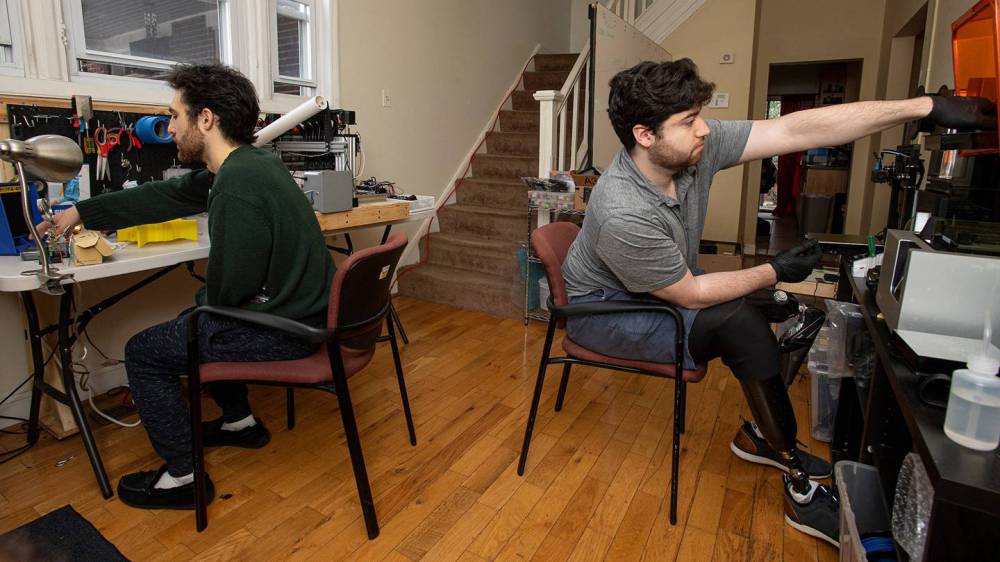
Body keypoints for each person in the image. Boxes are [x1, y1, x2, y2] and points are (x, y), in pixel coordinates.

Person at [561, 58, 995, 545]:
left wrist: (925, 106)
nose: (704, 128)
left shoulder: (690, 151)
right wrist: (775, 268)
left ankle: (762, 434)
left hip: (656, 287)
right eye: (688, 122)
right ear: (645, 135)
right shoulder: (622, 207)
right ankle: (798, 481)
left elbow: (794, 129)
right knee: (742, 323)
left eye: (699, 114)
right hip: (605, 310)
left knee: (793, 308)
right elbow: (690, 293)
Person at [40, 64, 335, 510]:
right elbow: (163, 197)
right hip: (299, 314)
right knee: (192, 321)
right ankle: (240, 423)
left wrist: (200, 310)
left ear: (206, 119)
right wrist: (83, 211)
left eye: (175, 116)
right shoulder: (249, 164)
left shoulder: (237, 183)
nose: (170, 128)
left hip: (287, 329)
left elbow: (227, 291)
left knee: (146, 350)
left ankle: (183, 477)